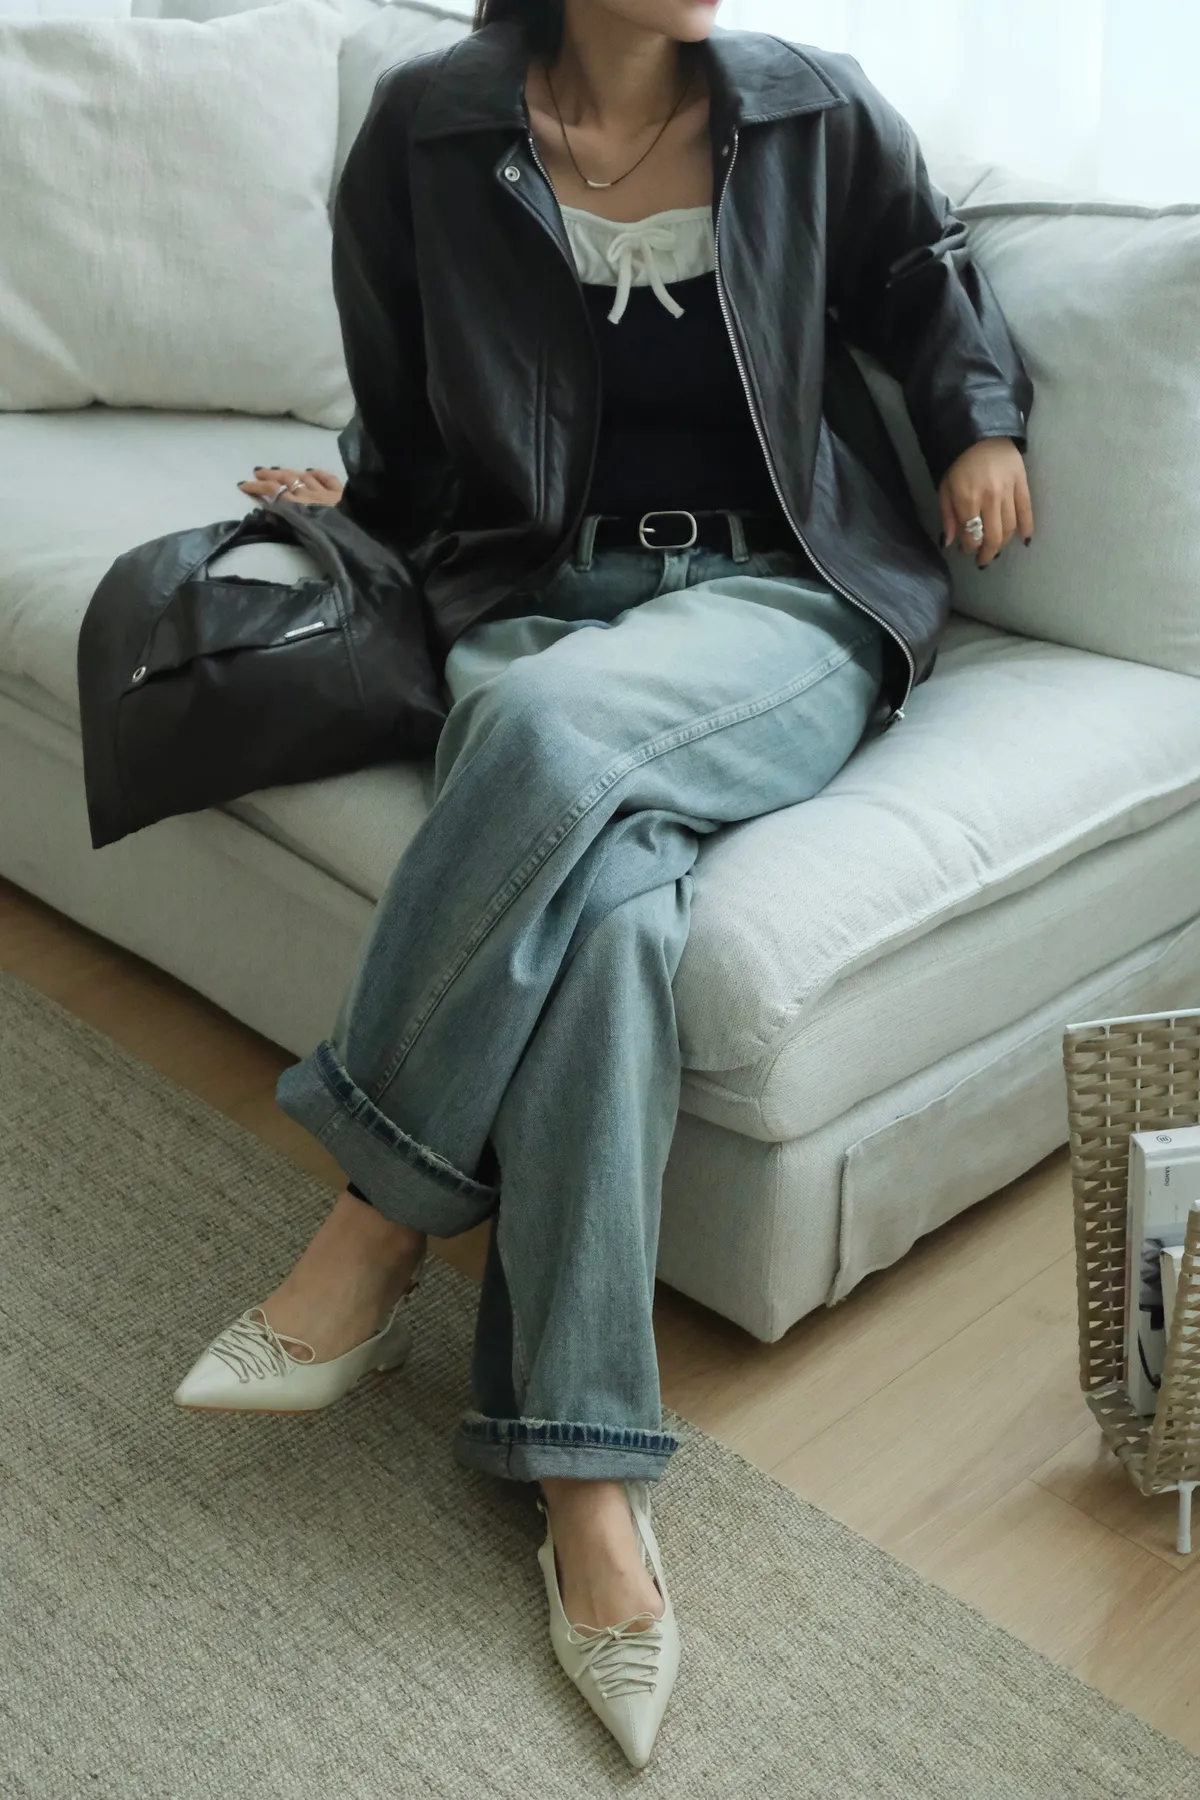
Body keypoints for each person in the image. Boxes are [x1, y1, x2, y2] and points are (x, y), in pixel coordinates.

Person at [178, 0, 1035, 1767]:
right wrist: (351, 526)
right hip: (533, 598)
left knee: (547, 743)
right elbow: (405, 410)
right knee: (613, 920)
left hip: (782, 601)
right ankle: (584, 1478)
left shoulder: (811, 109)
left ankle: (376, 1214)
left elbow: (923, 270)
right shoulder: (428, 130)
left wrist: (976, 425)